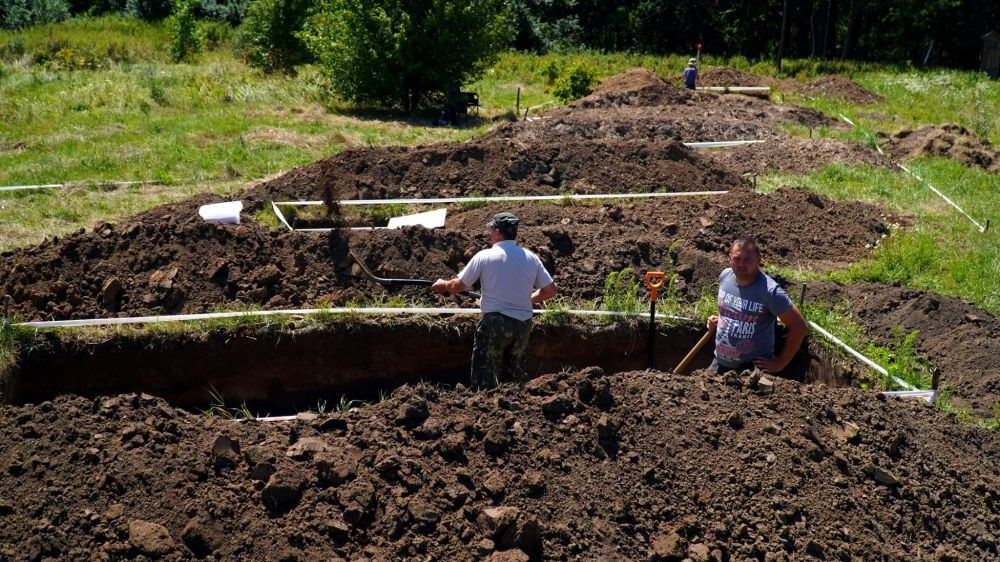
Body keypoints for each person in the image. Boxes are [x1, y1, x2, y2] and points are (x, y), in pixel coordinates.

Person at [432, 212, 557, 389]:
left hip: (495, 323)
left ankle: (484, 408)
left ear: (498, 232)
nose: (490, 234)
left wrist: (443, 284)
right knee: (516, 377)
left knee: (485, 379)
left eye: (491, 231)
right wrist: (529, 299)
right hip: (523, 325)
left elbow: (459, 286)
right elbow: (550, 290)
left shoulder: (486, 256)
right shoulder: (531, 257)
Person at [707, 237, 807, 374]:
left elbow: (799, 327)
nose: (742, 264)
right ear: (729, 258)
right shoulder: (725, 277)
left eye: (748, 259)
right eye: (737, 259)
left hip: (751, 371)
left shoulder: (770, 291)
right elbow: (731, 310)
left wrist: (779, 363)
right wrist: (721, 321)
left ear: (759, 259)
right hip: (720, 363)